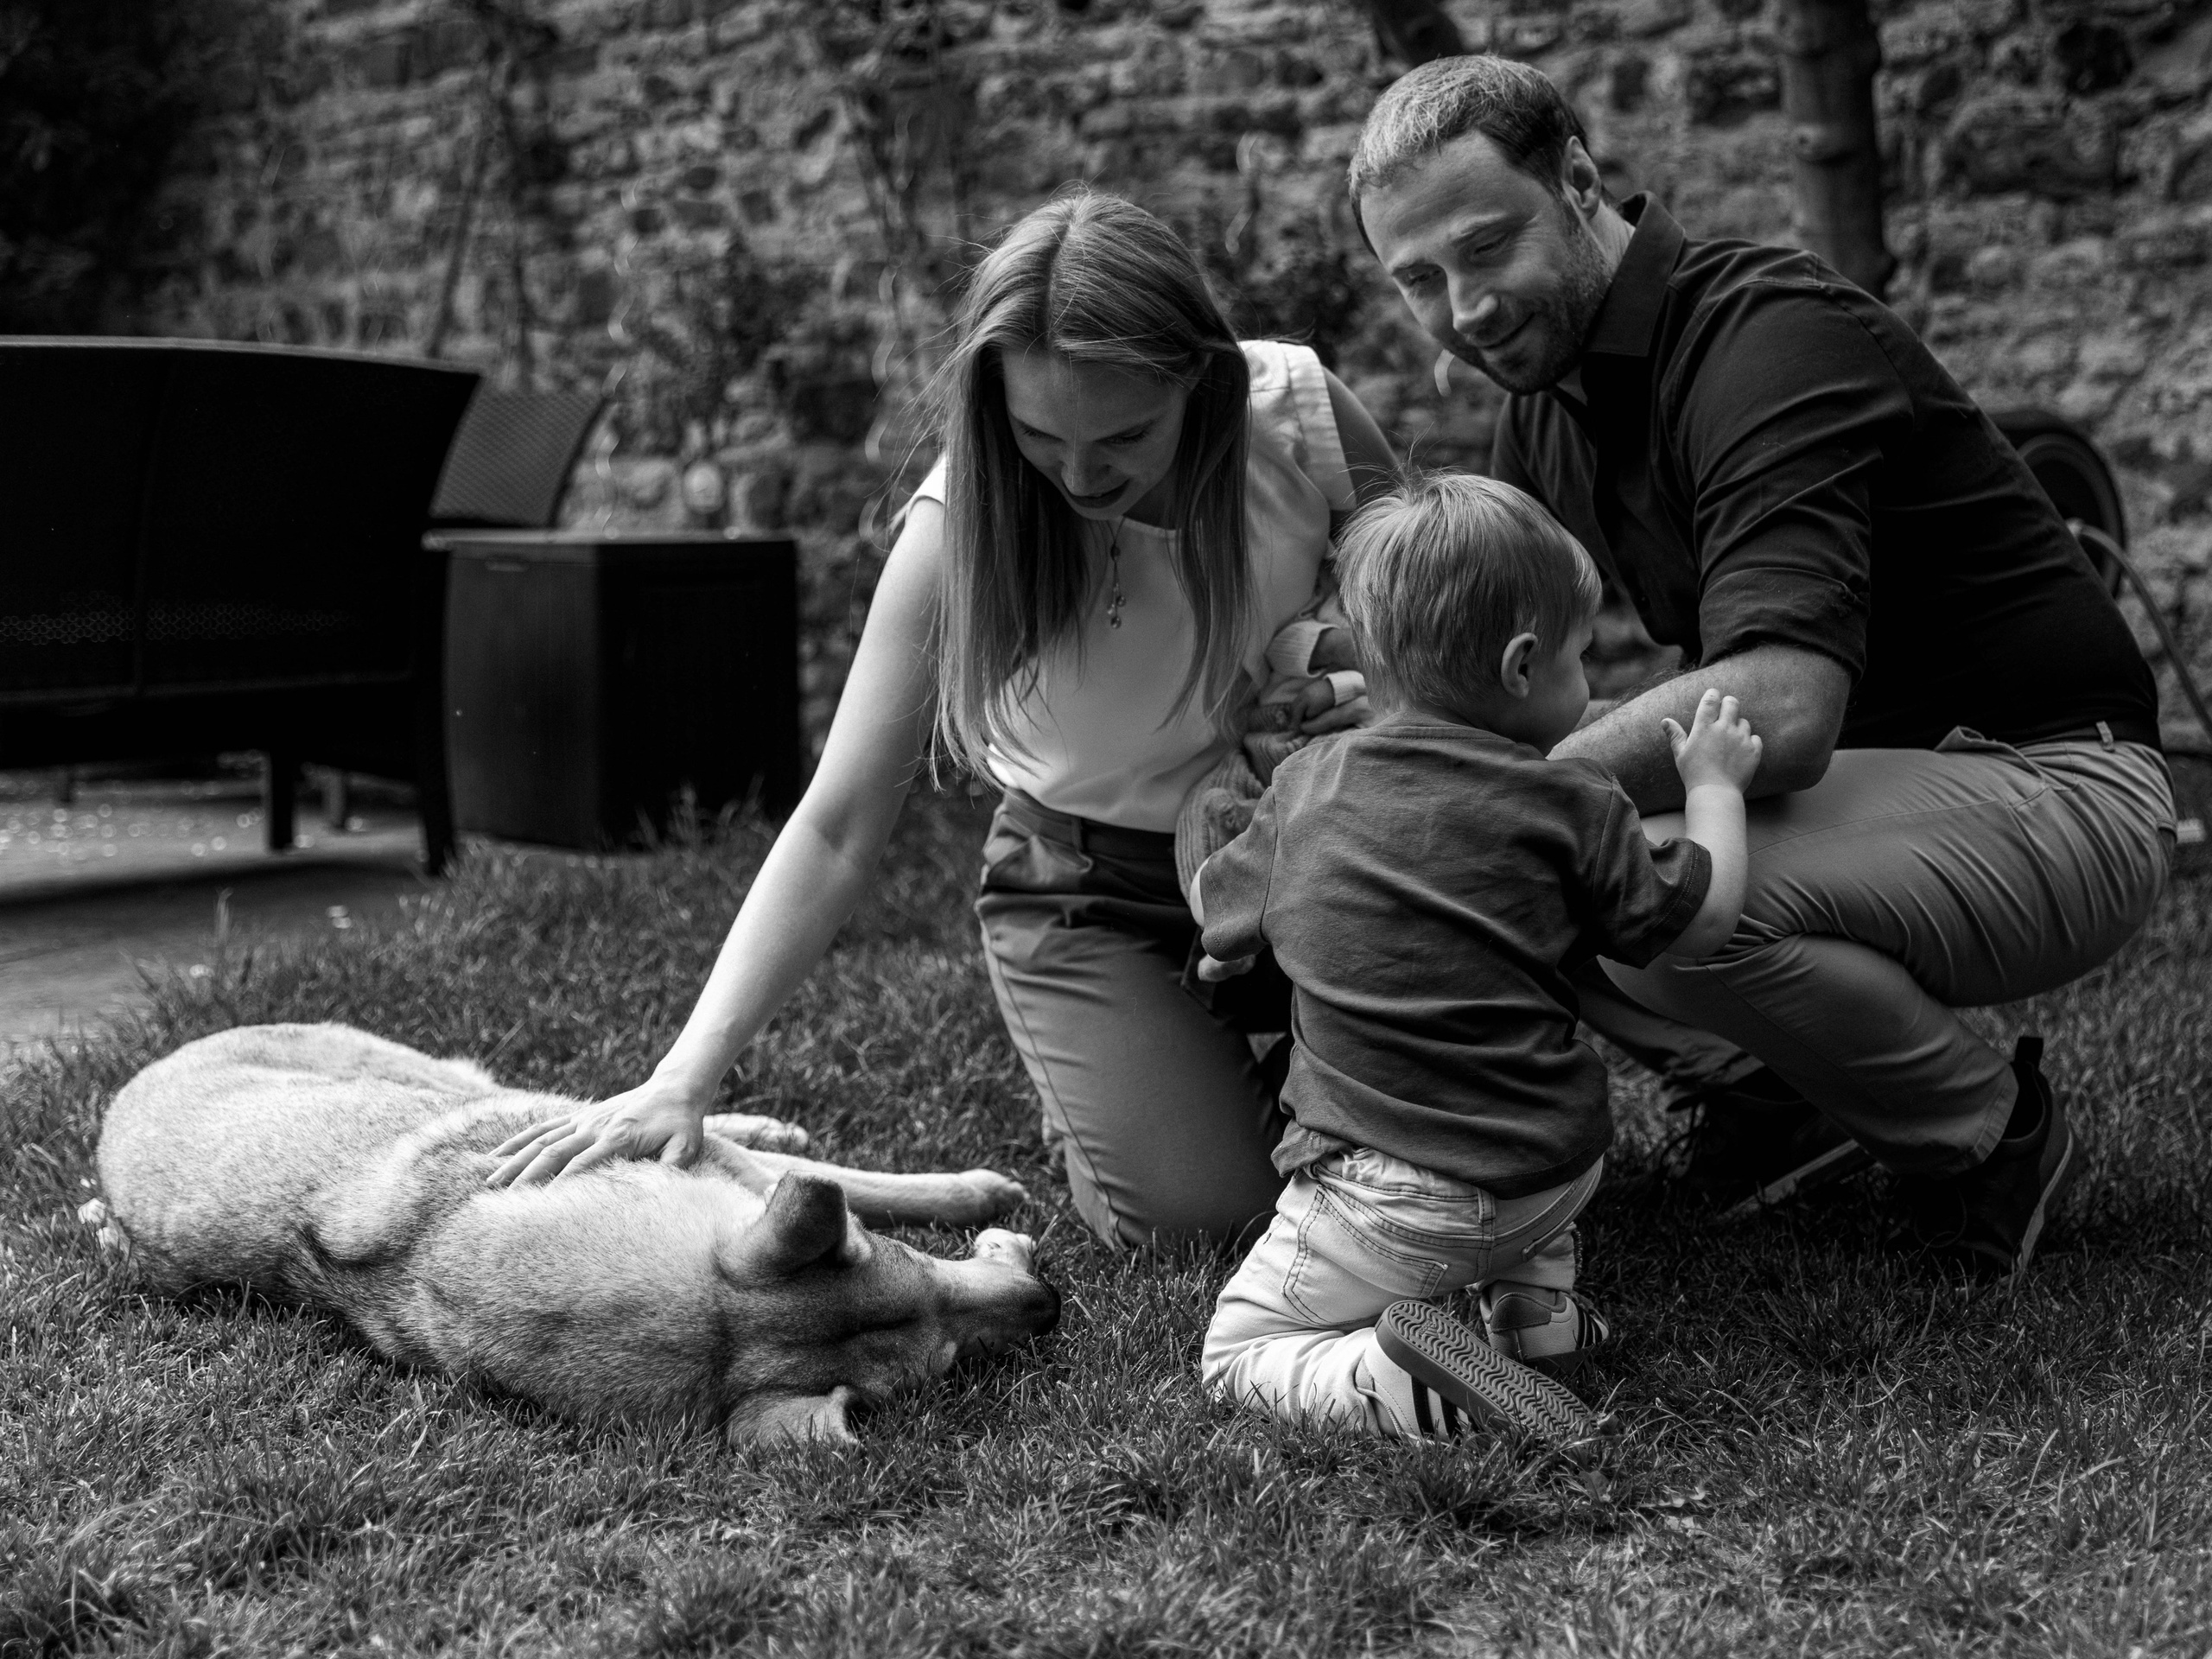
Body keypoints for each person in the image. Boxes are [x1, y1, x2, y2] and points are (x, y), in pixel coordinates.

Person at [1347, 55, 2177, 1276]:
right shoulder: (1545, 401)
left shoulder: (1763, 336)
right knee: (1515, 849)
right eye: (1419, 279)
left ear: (1579, 180)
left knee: (1643, 882)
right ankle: (1779, 1097)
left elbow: (1781, 712)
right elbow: (1473, 681)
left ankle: (1992, 1131)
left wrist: (1483, 808)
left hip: (2057, 789)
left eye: (1484, 249)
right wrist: (1344, 748)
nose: (1462, 310)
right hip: (1873, 803)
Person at [486, 191, 1398, 1249]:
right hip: (1089, 889)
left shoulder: (1295, 414)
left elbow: (1424, 604)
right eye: (1040, 436)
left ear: (1198, 374)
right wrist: (681, 1076)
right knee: (1207, 1216)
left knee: (1413, 1144)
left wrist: (1345, 682)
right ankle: (1116, 1068)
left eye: (1126, 435)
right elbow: (837, 822)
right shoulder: (960, 522)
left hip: (1294, 852)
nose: (1083, 475)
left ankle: (1246, 1051)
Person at [1195, 471, 1762, 1440]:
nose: (1589, 684)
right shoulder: (1574, 804)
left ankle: (1389, 1384)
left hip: (1388, 1201)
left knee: (1234, 1358)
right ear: (1521, 665)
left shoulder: (1306, 786)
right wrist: (1713, 784)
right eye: (1585, 658)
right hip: (1552, 1176)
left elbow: (1218, 920)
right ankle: (1534, 1318)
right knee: (1502, 1125)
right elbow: (1702, 918)